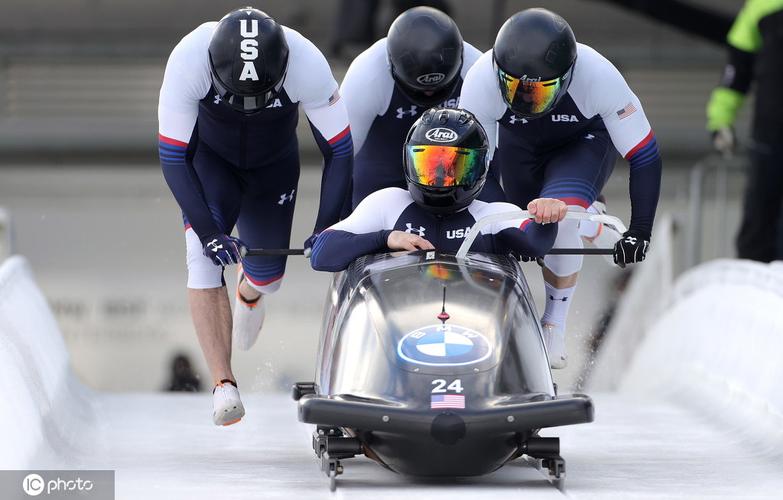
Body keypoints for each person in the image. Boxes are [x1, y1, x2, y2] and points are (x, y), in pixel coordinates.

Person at [158, 7, 352, 425]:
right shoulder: (189, 59)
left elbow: (339, 149)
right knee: (201, 257)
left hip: (272, 169)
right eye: (238, 98)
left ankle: (251, 290)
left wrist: (327, 227)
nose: (247, 108)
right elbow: (174, 157)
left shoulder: (307, 63)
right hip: (213, 164)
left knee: (269, 276)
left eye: (258, 97)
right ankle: (223, 384)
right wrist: (209, 232)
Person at [459, 8, 662, 368]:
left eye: (539, 92)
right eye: (515, 89)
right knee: (520, 224)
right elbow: (478, 171)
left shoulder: (599, 76)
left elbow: (645, 155)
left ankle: (553, 323)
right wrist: (505, 225)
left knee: (560, 217)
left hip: (582, 143)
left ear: (568, 77)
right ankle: (592, 223)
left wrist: (641, 230)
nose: (526, 101)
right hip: (518, 147)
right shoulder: (480, 82)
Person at [310, 108, 566, 274]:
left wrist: (546, 216)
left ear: (480, 168)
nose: (441, 179)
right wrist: (385, 239)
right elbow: (322, 254)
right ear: (409, 162)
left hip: (473, 322)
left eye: (456, 167)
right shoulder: (386, 204)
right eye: (429, 165)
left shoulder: (493, 216)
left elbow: (534, 243)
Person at [342, 6, 504, 208]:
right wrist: (334, 223)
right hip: (382, 170)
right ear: (391, 65)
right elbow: (340, 154)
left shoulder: (478, 70)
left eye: (437, 89)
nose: (430, 94)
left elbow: (492, 150)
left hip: (455, 170)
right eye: (422, 89)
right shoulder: (365, 75)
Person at [706, 0, 783, 262]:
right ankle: (753, 283)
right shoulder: (760, 7)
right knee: (760, 217)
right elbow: (735, 74)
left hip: (770, 132)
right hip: (771, 135)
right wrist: (720, 121)